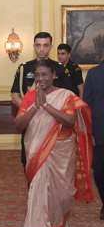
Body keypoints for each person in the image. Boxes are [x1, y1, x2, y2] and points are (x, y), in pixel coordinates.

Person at [14, 59, 94, 227]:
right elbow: (19, 125)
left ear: (53, 75)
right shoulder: (30, 97)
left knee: (60, 196)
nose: (41, 79)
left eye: (45, 74)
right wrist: (35, 106)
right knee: (38, 194)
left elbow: (70, 120)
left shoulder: (65, 95)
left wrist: (47, 106)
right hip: (36, 153)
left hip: (60, 153)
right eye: (37, 75)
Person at [11, 32, 77, 166]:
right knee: (30, 161)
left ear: (51, 47)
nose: (41, 49)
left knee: (55, 165)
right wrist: (29, 108)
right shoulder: (24, 68)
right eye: (38, 45)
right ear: (33, 46)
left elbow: (68, 97)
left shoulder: (59, 69)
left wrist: (47, 108)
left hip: (54, 123)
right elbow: (15, 96)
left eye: (45, 45)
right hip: (30, 121)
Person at [83, 60, 104, 218]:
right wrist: (89, 132)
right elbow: (87, 106)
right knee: (99, 171)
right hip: (99, 132)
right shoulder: (94, 74)